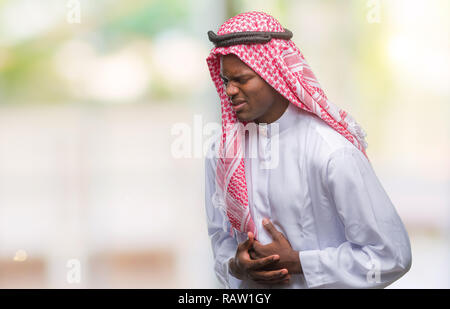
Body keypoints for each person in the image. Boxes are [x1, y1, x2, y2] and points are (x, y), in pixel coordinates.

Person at [204, 11, 412, 288]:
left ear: (274, 74)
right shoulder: (221, 152)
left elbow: (391, 255)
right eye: (227, 81)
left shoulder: (331, 153)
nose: (230, 91)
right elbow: (220, 238)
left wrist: (301, 262)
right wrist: (236, 265)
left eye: (242, 79)